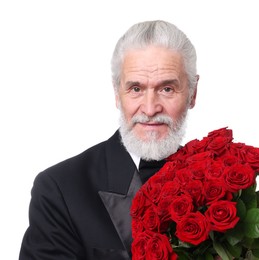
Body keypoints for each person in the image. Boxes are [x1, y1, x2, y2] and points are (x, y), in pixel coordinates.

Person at [19, 20, 199, 260]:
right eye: (136, 88)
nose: (150, 108)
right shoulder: (59, 189)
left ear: (192, 94)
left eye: (167, 89)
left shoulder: (226, 186)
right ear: (117, 94)